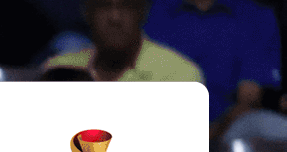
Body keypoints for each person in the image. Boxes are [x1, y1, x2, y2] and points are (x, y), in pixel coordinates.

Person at [142, 0, 281, 131]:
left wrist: (211, 133)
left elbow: (249, 100)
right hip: (154, 122)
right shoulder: (148, 12)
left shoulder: (256, 17)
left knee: (267, 125)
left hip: (226, 129)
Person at [44, 0, 205, 85]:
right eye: (103, 5)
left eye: (127, 6)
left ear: (143, 12)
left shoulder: (179, 76)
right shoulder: (57, 70)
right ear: (86, 12)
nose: (115, 17)